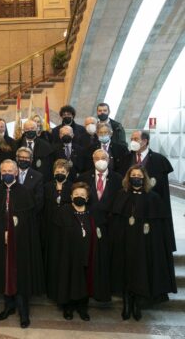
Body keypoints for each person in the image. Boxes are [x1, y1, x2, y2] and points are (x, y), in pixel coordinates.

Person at [110, 165, 177, 321]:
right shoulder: (121, 194)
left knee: (141, 272)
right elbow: (115, 220)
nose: (136, 178)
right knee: (126, 271)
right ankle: (127, 304)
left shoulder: (153, 197)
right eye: (133, 175)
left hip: (144, 243)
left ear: (144, 178)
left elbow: (160, 226)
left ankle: (137, 305)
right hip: (125, 242)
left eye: (139, 175)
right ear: (128, 177)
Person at [0, 160, 44, 328]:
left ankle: (23, 312)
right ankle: (8, 306)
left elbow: (29, 221)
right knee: (4, 273)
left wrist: (14, 233)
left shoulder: (26, 192)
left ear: (17, 172)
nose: (6, 173)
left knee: (20, 275)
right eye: (3, 170)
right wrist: (1, 233)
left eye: (10, 170)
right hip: (0, 241)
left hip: (21, 242)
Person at [54, 182, 110, 321]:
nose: (79, 196)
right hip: (68, 255)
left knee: (85, 281)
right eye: (77, 194)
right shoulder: (64, 211)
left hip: (87, 254)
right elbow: (56, 236)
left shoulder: (92, 212)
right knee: (69, 279)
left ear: (87, 197)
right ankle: (68, 307)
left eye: (82, 195)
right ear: (71, 195)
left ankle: (82, 308)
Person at [121, 130, 176, 252]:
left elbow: (163, 190)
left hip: (152, 208)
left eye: (136, 139)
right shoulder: (126, 158)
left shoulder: (159, 160)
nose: (132, 142)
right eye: (131, 139)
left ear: (145, 141)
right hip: (131, 206)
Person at [43, 159, 72, 301]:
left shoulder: (72, 187)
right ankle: (51, 290)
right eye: (57, 171)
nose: (60, 173)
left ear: (68, 173)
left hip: (67, 230)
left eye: (63, 172)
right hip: (50, 228)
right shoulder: (47, 187)